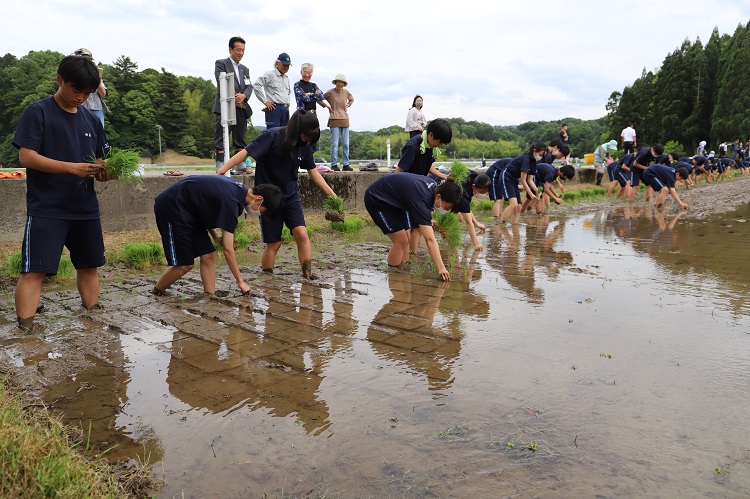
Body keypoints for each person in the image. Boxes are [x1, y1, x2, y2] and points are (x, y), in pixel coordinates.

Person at [12, 55, 114, 330]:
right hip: (47, 207)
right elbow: (27, 157)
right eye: (75, 90)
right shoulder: (38, 112)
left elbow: (101, 161)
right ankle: (27, 330)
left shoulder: (93, 121)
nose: (81, 97)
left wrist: (103, 172)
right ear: (60, 81)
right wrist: (72, 168)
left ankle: (93, 316)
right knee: (34, 270)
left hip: (84, 206)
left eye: (87, 93)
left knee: (89, 265)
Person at [217, 110, 338, 279]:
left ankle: (307, 274)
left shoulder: (306, 144)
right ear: (297, 130)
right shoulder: (273, 136)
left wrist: (332, 194)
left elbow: (313, 171)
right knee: (274, 243)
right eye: (306, 136)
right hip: (268, 198)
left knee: (302, 234)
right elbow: (246, 152)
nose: (307, 140)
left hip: (291, 195)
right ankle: (268, 278)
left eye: (311, 138)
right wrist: (222, 170)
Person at [152, 177, 282, 296]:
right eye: (262, 211)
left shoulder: (238, 191)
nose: (259, 213)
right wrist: (240, 281)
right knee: (184, 265)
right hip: (172, 207)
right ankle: (156, 292)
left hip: (189, 210)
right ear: (259, 199)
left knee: (209, 255)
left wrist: (214, 236)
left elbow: (204, 209)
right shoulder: (232, 202)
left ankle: (210, 296)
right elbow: (228, 249)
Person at [364, 172, 462, 281]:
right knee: (400, 240)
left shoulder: (434, 188)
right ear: (439, 197)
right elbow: (430, 240)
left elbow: (425, 213)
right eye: (447, 207)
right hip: (378, 199)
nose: (445, 210)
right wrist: (441, 268)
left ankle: (404, 267)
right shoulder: (422, 198)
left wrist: (428, 221)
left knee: (407, 235)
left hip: (396, 201)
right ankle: (394, 273)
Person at [213, 36, 254, 173]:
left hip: (241, 107)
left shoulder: (245, 69)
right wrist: (234, 96)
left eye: (243, 50)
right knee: (222, 135)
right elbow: (221, 81)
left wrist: (244, 96)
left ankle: (240, 163)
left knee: (240, 136)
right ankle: (220, 163)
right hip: (225, 106)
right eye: (238, 50)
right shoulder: (221, 63)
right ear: (230, 49)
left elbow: (249, 86)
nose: (240, 53)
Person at [498, 143, 547, 224]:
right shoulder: (525, 159)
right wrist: (531, 194)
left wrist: (538, 191)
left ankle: (515, 229)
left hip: (514, 179)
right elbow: (523, 180)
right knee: (513, 204)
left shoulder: (534, 162)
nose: (540, 157)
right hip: (506, 176)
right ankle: (501, 225)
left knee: (519, 207)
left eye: (542, 156)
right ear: (535, 151)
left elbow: (530, 180)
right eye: (540, 155)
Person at [323, 73, 354, 171]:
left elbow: (352, 99)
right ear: (335, 82)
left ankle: (346, 164)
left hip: (345, 118)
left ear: (344, 83)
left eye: (342, 82)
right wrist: (327, 106)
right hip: (334, 118)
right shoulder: (330, 92)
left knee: (346, 144)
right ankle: (334, 164)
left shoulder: (346, 92)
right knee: (335, 144)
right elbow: (319, 98)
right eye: (338, 81)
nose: (340, 84)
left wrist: (348, 105)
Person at [253, 52, 292, 130]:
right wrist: (265, 102)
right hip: (274, 108)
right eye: (284, 65)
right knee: (273, 133)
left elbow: (288, 94)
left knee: (285, 133)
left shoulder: (286, 78)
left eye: (287, 65)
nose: (286, 67)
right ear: (277, 63)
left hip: (285, 109)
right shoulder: (270, 74)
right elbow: (256, 85)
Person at [454, 171, 491, 251]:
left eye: (485, 193)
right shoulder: (465, 193)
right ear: (473, 186)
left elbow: (466, 209)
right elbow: (468, 223)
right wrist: (476, 244)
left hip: (455, 196)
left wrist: (477, 223)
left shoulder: (476, 179)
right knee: (459, 219)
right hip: (446, 194)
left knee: (460, 218)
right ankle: (450, 239)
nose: (482, 195)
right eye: (481, 192)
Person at [74, 48, 108, 127]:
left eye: (89, 59)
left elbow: (103, 94)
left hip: (97, 108)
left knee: (99, 133)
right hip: (80, 107)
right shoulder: (73, 73)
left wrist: (98, 80)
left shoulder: (94, 73)